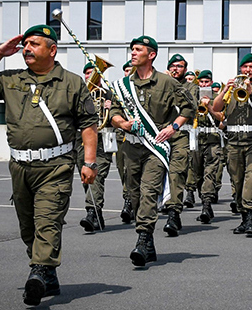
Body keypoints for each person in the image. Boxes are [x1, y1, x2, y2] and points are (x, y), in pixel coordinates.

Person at [0, 25, 98, 306]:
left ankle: (38, 273)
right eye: (25, 44)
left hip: (56, 166)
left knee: (48, 221)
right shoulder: (12, 79)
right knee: (28, 228)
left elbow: (88, 125)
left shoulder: (72, 83)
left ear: (51, 50)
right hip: (20, 167)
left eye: (34, 44)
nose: (26, 48)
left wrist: (89, 162)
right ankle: (47, 273)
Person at [109, 36, 195, 266]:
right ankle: (149, 243)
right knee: (134, 194)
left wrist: (173, 127)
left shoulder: (167, 82)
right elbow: (113, 113)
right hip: (131, 147)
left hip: (155, 147)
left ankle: (143, 238)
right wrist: (122, 123)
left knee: (149, 190)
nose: (133, 53)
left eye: (138, 50)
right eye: (132, 49)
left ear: (152, 54)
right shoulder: (123, 85)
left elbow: (189, 107)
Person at [212, 53, 252, 237]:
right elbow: (216, 108)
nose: (248, 70)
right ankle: (243, 217)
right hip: (234, 140)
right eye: (245, 67)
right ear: (241, 68)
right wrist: (225, 90)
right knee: (237, 180)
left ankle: (251, 219)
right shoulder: (231, 86)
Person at [76, 61, 115, 232]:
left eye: (95, 73)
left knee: (96, 175)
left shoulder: (108, 94)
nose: (90, 77)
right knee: (86, 176)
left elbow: (119, 115)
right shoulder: (78, 94)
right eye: (88, 73)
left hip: (102, 138)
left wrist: (111, 108)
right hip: (81, 140)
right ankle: (97, 215)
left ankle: (91, 211)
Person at [163, 54, 199, 236]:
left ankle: (173, 213)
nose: (176, 69)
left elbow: (190, 106)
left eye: (180, 66)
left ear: (185, 70)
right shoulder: (160, 83)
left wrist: (171, 84)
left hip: (180, 135)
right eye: (173, 65)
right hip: (161, 135)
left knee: (176, 173)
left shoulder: (191, 87)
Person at [191, 70, 225, 223]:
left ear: (211, 83)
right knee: (197, 175)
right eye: (202, 82)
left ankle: (206, 205)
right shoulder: (193, 96)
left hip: (213, 139)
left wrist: (210, 106)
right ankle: (206, 204)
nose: (204, 84)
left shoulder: (219, 98)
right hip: (196, 139)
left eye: (207, 82)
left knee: (210, 173)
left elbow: (222, 118)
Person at [118, 60, 134, 224]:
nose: (128, 73)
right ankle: (128, 200)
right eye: (126, 70)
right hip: (122, 136)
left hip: (142, 136)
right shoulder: (118, 90)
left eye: (131, 70)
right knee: (124, 170)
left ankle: (130, 203)